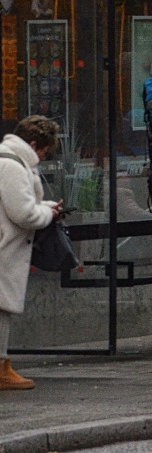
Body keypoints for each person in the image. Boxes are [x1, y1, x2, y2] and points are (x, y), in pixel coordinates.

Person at [0, 116, 65, 390]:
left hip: (6, 246)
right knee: (1, 308)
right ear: (35, 144)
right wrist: (47, 214)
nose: (43, 156)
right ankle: (1, 368)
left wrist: (45, 207)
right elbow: (24, 213)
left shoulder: (10, 159)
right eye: (44, 151)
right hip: (5, 248)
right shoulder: (12, 165)